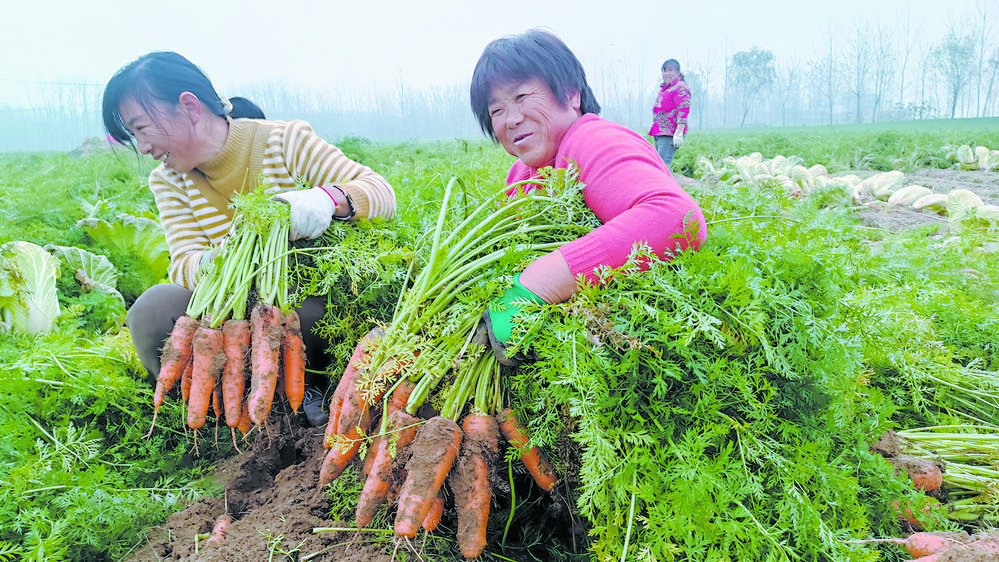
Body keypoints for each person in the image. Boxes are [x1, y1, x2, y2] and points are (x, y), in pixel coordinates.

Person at [102, 51, 397, 425]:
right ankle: (215, 406)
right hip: (228, 313)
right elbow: (183, 263)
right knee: (152, 309)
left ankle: (310, 389)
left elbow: (381, 191)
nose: (142, 147)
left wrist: (325, 200)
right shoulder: (167, 179)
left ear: (189, 107)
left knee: (292, 314)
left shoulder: (283, 140)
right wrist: (230, 257)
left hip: (303, 308)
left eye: (141, 128)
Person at [469, 29, 706, 364]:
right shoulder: (521, 174)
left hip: (628, 358)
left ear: (571, 94)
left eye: (521, 97)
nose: (511, 119)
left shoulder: (591, 140)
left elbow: (678, 219)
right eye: (496, 111)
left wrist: (538, 283)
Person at [648, 58, 691, 169]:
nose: (667, 73)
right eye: (665, 70)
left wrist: (679, 132)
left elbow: (683, 110)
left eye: (671, 70)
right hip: (660, 133)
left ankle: (666, 185)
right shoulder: (665, 88)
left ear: (678, 72)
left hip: (669, 133)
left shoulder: (680, 87)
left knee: (664, 166)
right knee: (660, 165)